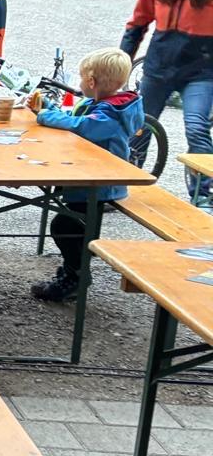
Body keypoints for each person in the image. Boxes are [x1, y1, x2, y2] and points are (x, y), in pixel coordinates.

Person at [26, 49, 145, 302]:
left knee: (66, 227)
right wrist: (49, 107)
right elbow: (75, 118)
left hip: (98, 184)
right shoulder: (104, 105)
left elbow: (82, 126)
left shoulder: (110, 114)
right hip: (87, 178)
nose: (79, 83)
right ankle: (74, 271)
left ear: (91, 82)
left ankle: (76, 277)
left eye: (81, 78)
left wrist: (46, 116)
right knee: (75, 228)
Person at [121, 0, 213, 206]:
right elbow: (137, 23)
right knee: (140, 124)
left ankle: (203, 195)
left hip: (201, 69)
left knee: (196, 127)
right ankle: (124, 182)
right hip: (160, 64)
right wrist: (122, 61)